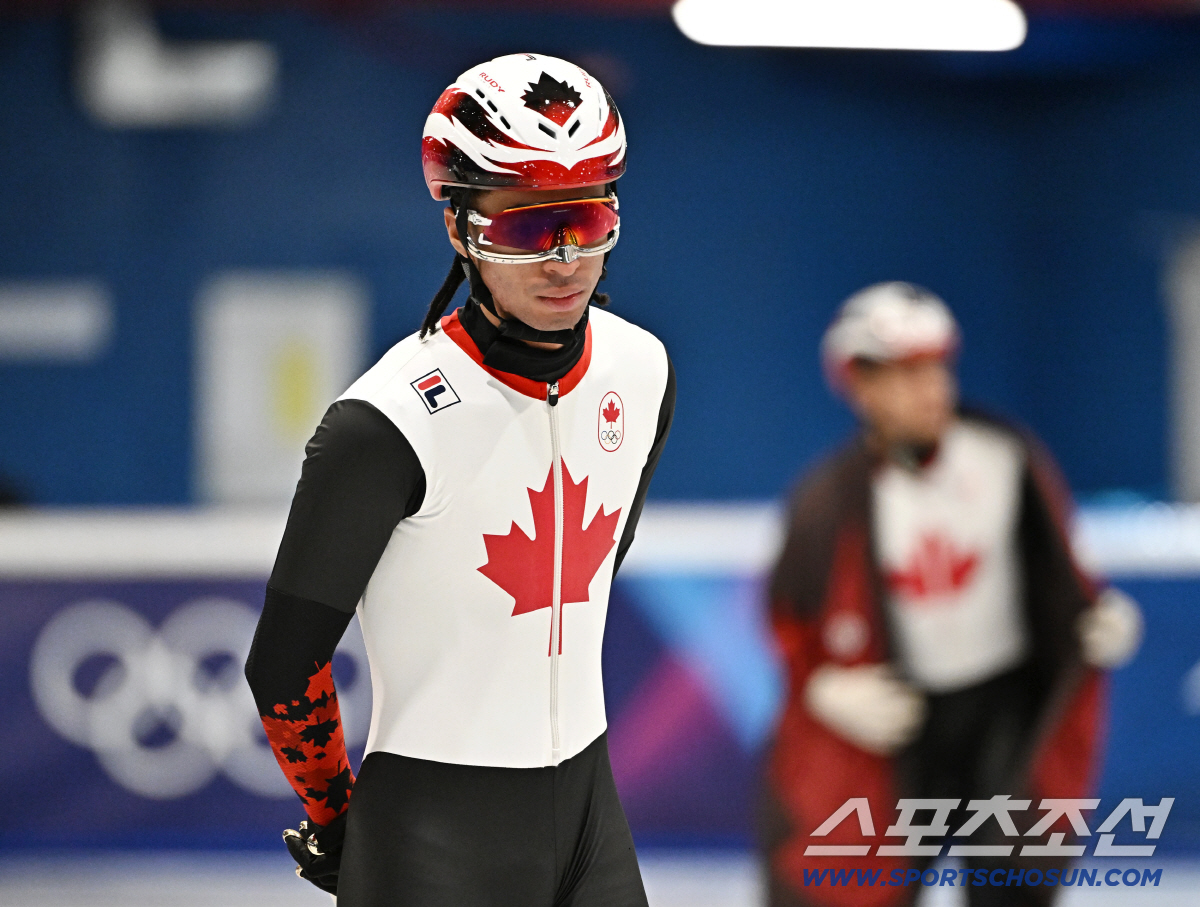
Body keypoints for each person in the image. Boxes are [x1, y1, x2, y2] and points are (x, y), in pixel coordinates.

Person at [243, 53, 674, 907]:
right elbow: (284, 665)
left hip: (591, 818)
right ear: (457, 227)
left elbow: (594, 575)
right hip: (432, 839)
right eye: (524, 230)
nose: (563, 259)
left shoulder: (644, 368)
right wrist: (338, 820)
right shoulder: (384, 423)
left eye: (586, 220)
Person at [761, 282, 1141, 907]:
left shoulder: (1005, 455)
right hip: (903, 727)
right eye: (908, 373)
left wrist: (1092, 619)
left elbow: (1057, 565)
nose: (932, 388)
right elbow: (789, 617)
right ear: (861, 385)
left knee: (1015, 879)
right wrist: (821, 687)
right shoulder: (826, 502)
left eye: (938, 367)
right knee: (855, 883)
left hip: (1006, 714)